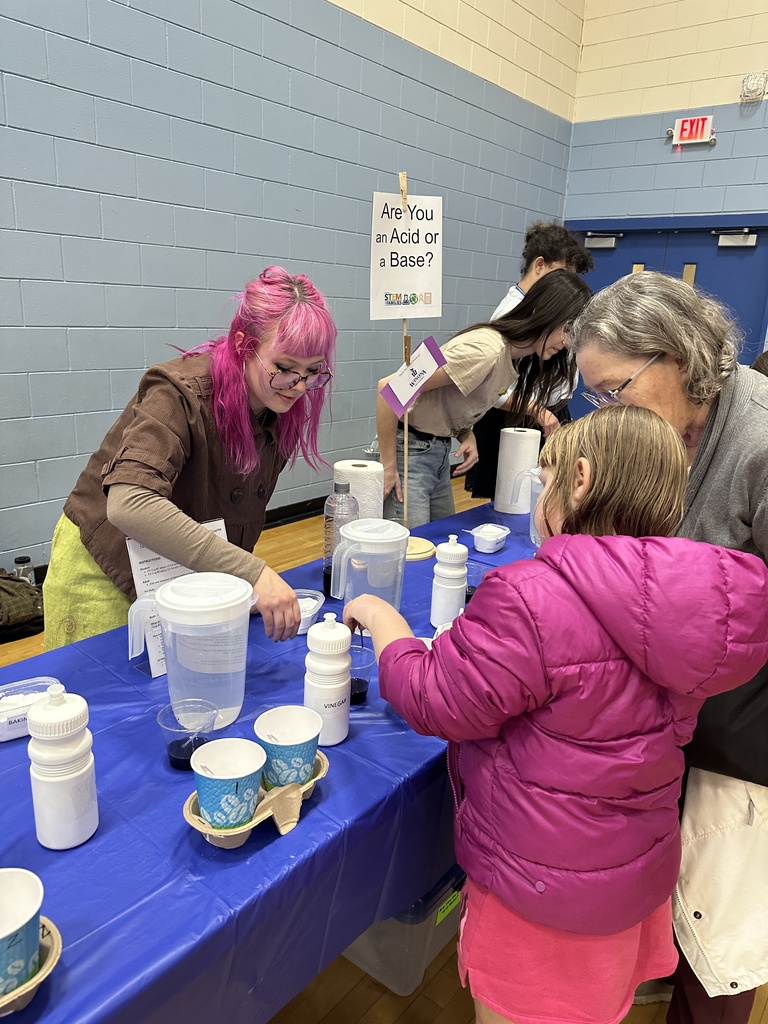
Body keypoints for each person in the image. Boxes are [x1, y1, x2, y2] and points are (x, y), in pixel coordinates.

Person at [342, 405, 768, 1024]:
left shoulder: (529, 596)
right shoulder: (695, 606)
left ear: (582, 479)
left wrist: (386, 622)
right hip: (629, 881)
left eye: (545, 479)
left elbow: (434, 696)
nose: (538, 494)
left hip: (542, 893)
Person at [569, 271, 768, 1024]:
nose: (605, 412)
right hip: (689, 713)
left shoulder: (760, 445)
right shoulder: (675, 427)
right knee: (679, 898)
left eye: (612, 390)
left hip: (743, 742)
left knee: (722, 944)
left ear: (676, 361)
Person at [43, 266, 337, 648]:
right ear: (243, 345)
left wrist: (234, 579)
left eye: (312, 372)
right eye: (284, 369)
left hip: (178, 570)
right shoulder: (179, 393)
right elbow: (130, 503)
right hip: (107, 564)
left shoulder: (276, 407)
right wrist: (251, 573)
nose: (298, 386)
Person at [377, 268, 591, 528]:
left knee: (436, 540)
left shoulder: (513, 359)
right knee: (412, 546)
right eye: (566, 329)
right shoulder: (485, 351)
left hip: (436, 452)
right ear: (543, 312)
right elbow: (389, 389)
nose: (567, 342)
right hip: (409, 453)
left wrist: (464, 432)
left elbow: (455, 395)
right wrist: (388, 466)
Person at [465, 220, 594, 499]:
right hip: (520, 418)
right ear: (539, 266)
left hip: (549, 412)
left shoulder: (552, 319)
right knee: (512, 496)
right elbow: (493, 390)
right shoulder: (505, 324)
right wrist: (537, 410)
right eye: (561, 276)